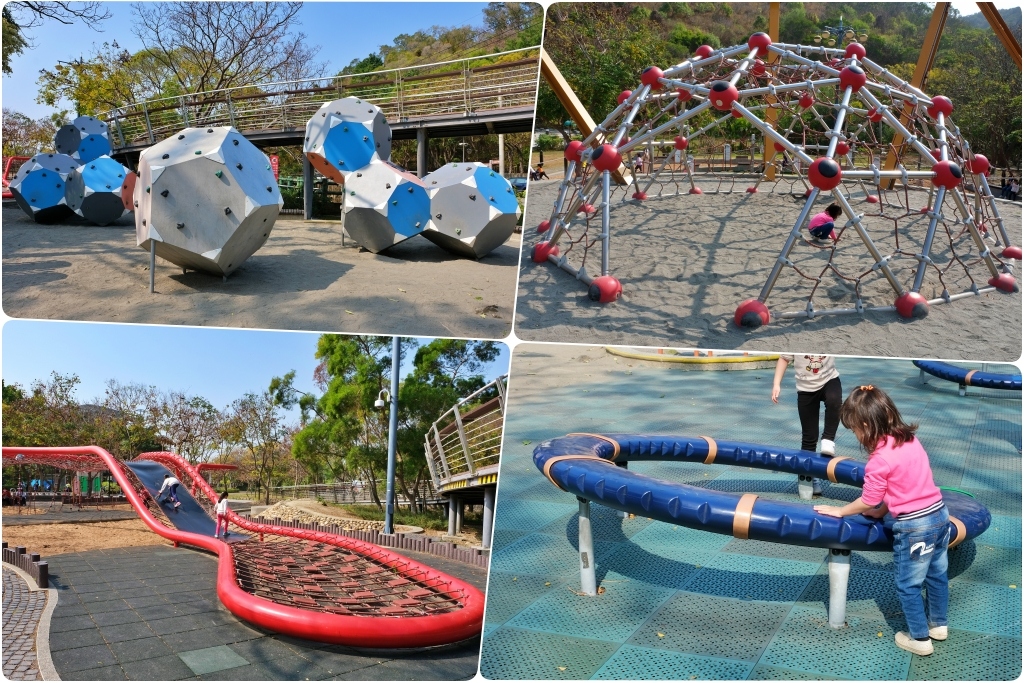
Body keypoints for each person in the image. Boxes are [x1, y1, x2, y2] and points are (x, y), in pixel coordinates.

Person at [815, 385, 948, 657]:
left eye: (854, 429)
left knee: (908, 584)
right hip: (940, 515)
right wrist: (883, 509)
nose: (856, 435)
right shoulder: (909, 439)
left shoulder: (879, 460)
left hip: (915, 527)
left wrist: (840, 511)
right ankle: (938, 625)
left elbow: (867, 499)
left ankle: (920, 639)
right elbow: (906, 482)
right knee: (936, 574)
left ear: (865, 425)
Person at [772, 354, 841, 498]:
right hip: (806, 389)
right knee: (809, 437)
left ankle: (828, 439)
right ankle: (809, 477)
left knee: (834, 400)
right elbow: (784, 359)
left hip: (830, 379)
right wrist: (776, 384)